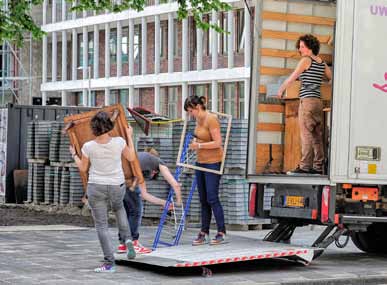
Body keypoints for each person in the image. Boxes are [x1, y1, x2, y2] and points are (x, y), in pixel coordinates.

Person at [69, 111, 136, 273]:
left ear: (94, 128)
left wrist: (74, 155)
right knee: (119, 208)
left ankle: (109, 263)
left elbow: (83, 168)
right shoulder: (119, 142)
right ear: (109, 126)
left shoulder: (88, 147)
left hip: (96, 186)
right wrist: (130, 136)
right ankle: (127, 239)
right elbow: (132, 158)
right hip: (116, 185)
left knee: (102, 226)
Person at [276, 34, 332, 175]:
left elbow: (293, 77)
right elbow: (331, 78)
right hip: (318, 102)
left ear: (310, 47)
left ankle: (305, 167)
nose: (300, 49)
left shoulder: (305, 61)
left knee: (306, 135)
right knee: (317, 136)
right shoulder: (321, 62)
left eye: (302, 46)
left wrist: (281, 89)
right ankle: (318, 167)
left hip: (307, 101)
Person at [117, 148, 182, 254]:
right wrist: (178, 202)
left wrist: (165, 203)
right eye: (154, 173)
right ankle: (133, 243)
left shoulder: (142, 162)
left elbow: (144, 195)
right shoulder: (159, 162)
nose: (153, 175)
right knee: (136, 211)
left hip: (117, 180)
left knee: (126, 212)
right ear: (155, 170)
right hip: (126, 181)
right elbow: (175, 184)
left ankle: (123, 244)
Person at [183, 95, 226, 246]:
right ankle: (204, 231)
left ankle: (221, 231)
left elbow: (218, 142)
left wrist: (199, 146)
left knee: (212, 197)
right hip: (200, 162)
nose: (190, 114)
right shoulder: (198, 120)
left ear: (197, 107)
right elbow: (201, 137)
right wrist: (195, 142)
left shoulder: (211, 118)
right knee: (203, 199)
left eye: (190, 111)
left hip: (213, 162)